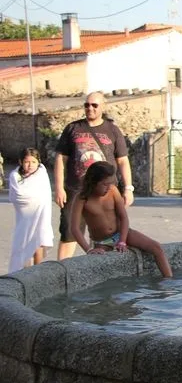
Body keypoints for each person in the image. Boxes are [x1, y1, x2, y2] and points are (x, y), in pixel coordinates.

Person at [54, 91, 134, 260]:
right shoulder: (72, 128)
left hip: (105, 192)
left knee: (107, 231)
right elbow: (61, 159)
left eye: (94, 105)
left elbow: (123, 161)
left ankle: (105, 265)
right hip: (76, 190)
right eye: (87, 105)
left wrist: (128, 188)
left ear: (103, 106)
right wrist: (59, 188)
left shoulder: (112, 130)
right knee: (69, 233)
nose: (90, 108)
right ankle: (63, 269)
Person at [70, 161, 172, 278]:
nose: (108, 187)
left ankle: (169, 281)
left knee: (156, 247)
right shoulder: (81, 198)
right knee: (101, 268)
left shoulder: (113, 191)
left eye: (110, 183)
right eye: (105, 184)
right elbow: (75, 228)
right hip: (101, 241)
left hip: (121, 233)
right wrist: (88, 249)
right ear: (93, 182)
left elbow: (123, 217)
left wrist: (122, 241)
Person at [7, 148, 54, 274]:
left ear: (38, 162)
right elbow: (16, 196)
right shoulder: (15, 176)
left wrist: (35, 198)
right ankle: (24, 273)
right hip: (24, 217)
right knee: (24, 243)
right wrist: (31, 198)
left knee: (39, 241)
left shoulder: (42, 174)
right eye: (27, 162)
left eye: (33, 162)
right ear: (20, 162)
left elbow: (43, 195)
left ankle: (38, 273)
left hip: (41, 214)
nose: (30, 165)